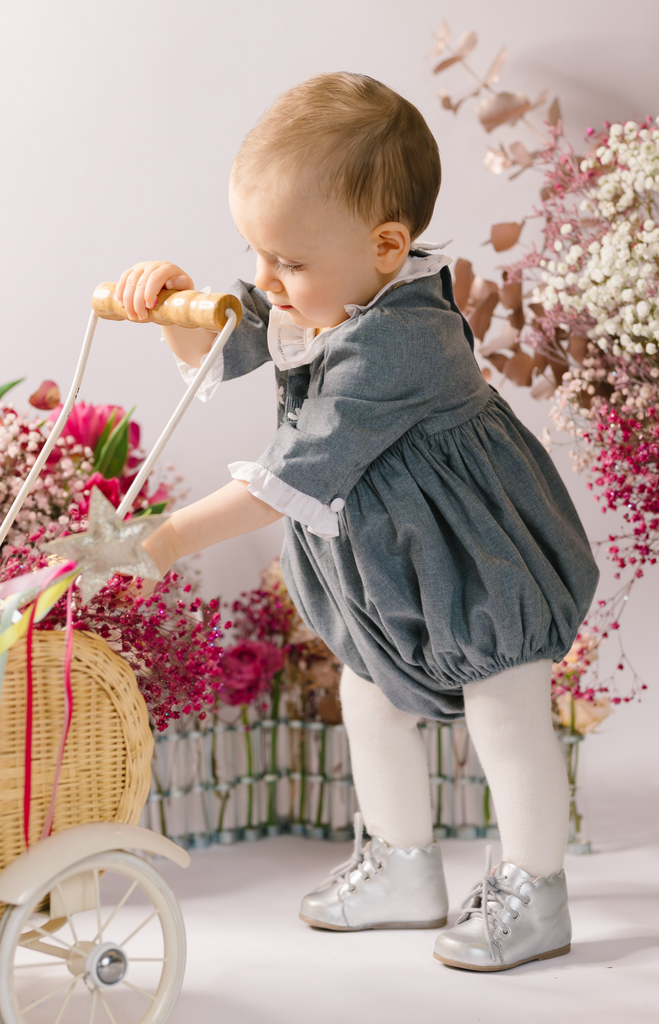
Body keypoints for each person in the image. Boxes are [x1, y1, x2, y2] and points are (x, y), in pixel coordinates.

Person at [116, 72, 599, 972]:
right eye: (254, 254)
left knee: (504, 709)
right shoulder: (320, 284)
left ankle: (535, 887)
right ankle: (402, 864)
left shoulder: (401, 340)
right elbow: (218, 352)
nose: (264, 281)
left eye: (284, 262)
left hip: (474, 559)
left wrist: (165, 538)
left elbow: (287, 480)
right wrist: (172, 307)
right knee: (368, 697)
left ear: (386, 247)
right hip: (390, 564)